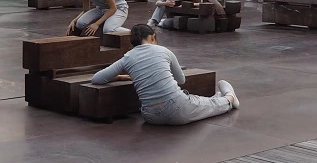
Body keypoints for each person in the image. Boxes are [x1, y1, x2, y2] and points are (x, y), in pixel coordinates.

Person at [91, 24, 240, 125]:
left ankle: (214, 99)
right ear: (153, 37)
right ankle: (229, 98)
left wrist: (118, 77)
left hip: (150, 116)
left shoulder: (127, 58)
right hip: (177, 109)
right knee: (200, 104)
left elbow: (96, 79)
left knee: (199, 102)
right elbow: (181, 80)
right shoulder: (164, 51)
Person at [158, 0, 225, 30]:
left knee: (169, 22)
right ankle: (161, 22)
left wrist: (191, 4)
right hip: (218, 17)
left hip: (216, 18)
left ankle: (161, 22)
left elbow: (205, 5)